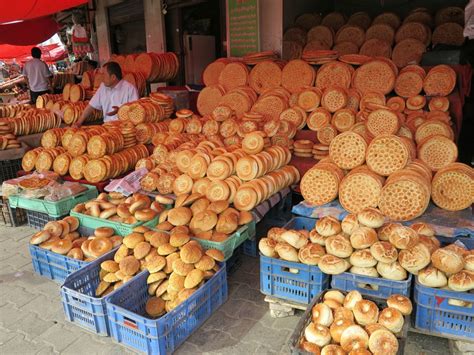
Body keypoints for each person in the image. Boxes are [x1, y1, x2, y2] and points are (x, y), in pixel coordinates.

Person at [73, 61, 138, 127]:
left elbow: (136, 112)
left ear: (113, 77)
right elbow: (91, 106)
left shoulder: (130, 89)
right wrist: (78, 122)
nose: (102, 78)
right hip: (106, 126)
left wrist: (121, 111)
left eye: (104, 74)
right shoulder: (103, 87)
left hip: (124, 127)